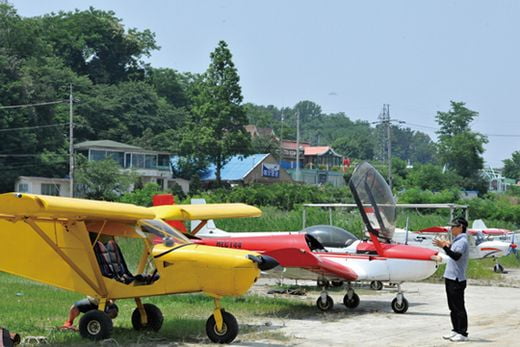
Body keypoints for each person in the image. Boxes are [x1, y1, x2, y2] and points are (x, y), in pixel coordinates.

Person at [433, 216, 470, 342]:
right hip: (450, 277)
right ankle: (455, 330)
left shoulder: (462, 241)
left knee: (459, 307)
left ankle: (463, 332)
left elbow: (456, 256)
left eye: (453, 227)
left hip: (456, 279)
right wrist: (447, 246)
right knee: (452, 307)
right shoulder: (457, 240)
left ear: (460, 227)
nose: (451, 229)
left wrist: (444, 247)